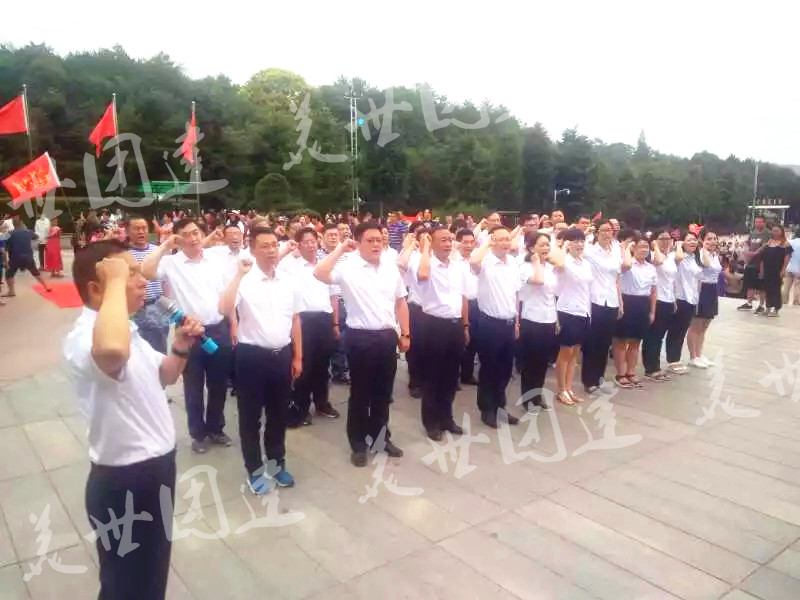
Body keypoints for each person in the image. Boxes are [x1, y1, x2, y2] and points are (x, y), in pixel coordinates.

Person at [63, 239, 204, 600]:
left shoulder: (130, 331)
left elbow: (165, 374)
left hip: (156, 469)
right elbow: (111, 352)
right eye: (130, 274)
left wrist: (181, 345)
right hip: (124, 480)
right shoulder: (85, 337)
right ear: (98, 288)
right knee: (125, 585)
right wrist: (113, 279)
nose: (144, 282)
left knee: (151, 576)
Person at [314, 222, 410, 467]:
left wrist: (406, 333)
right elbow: (319, 273)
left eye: (379, 240)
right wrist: (340, 249)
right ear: (358, 243)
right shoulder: (348, 267)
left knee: (383, 394)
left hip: (387, 336)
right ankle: (358, 444)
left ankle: (380, 439)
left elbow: (401, 302)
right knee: (360, 394)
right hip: (360, 338)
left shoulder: (390, 267)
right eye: (370, 240)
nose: (376, 244)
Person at [219, 227, 301, 494]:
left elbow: (295, 319)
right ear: (252, 249)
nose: (271, 250)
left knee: (278, 414)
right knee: (250, 417)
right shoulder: (243, 279)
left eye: (274, 245)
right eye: (264, 246)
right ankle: (254, 471)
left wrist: (297, 356)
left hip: (282, 354)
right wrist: (238, 275)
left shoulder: (287, 280)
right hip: (251, 357)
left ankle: (277, 465)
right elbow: (224, 309)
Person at [142, 218, 233, 454]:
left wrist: (233, 326)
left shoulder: (216, 258)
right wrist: (164, 246)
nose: (193, 238)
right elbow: (146, 272)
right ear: (178, 239)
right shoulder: (171, 263)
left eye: (196, 232)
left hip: (218, 328)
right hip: (189, 332)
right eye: (186, 234)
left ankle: (216, 428)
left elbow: (228, 293)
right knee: (193, 386)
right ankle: (198, 434)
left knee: (219, 383)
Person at [280, 227, 340, 427]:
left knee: (323, 366)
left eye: (313, 241)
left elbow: (334, 296)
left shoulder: (325, 264)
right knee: (304, 367)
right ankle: (301, 407)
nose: (311, 245)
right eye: (306, 241)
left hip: (324, 319)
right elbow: (271, 265)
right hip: (303, 321)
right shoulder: (291, 265)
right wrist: (287, 250)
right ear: (299, 244)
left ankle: (322, 403)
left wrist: (335, 323)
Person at [413, 226, 468, 440]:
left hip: (454, 325)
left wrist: (465, 325)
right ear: (433, 243)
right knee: (432, 377)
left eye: (450, 239)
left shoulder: (458, 267)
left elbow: (462, 297)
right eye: (442, 240)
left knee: (451, 377)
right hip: (433, 326)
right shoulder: (425, 264)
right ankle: (431, 422)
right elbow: (422, 275)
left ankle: (447, 418)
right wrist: (425, 247)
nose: (447, 243)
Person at [470, 224, 522, 428]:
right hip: (489, 323)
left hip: (509, 322)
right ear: (492, 241)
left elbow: (515, 294)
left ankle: (500, 407)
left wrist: (517, 321)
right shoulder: (485, 261)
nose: (505, 243)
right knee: (489, 368)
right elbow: (474, 261)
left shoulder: (513, 263)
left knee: (505, 369)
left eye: (507, 239)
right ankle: (487, 409)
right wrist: (487, 244)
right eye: (500, 239)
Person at [552, 228, 593, 405]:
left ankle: (569, 388)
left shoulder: (586, 263)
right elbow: (556, 260)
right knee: (565, 352)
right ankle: (561, 390)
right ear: (567, 243)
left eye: (582, 240)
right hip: (567, 310)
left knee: (575, 353)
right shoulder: (564, 261)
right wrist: (563, 247)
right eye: (575, 240)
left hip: (584, 311)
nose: (579, 244)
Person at [581, 220, 622, 393]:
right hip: (595, 300)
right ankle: (589, 380)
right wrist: (585, 233)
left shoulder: (616, 252)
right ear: (597, 233)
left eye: (610, 230)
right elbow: (574, 247)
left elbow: (617, 278)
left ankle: (599, 378)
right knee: (592, 342)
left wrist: (620, 302)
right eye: (603, 230)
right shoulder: (590, 251)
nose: (607, 234)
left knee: (605, 343)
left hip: (611, 301)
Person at [518, 231, 557, 412]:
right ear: (531, 248)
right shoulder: (525, 267)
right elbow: (538, 281)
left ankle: (537, 395)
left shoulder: (549, 267)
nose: (546, 248)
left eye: (548, 245)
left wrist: (556, 319)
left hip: (549, 318)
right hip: (532, 318)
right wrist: (536, 262)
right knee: (531, 362)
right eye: (541, 245)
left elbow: (552, 294)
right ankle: (528, 398)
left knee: (542, 361)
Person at [613, 236, 657, 389]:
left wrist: (652, 311)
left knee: (636, 341)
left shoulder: (651, 268)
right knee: (621, 340)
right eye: (640, 246)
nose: (644, 250)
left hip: (643, 303)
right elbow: (625, 266)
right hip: (627, 301)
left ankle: (631, 371)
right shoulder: (627, 264)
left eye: (646, 247)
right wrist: (625, 248)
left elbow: (653, 291)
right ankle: (621, 373)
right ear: (633, 248)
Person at [642, 230, 684, 380]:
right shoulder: (653, 255)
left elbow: (673, 277)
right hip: (657, 299)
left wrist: (674, 300)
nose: (666, 241)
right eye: (662, 238)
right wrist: (655, 246)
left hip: (668, 299)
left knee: (660, 335)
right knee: (653, 335)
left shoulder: (671, 257)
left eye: (668, 239)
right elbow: (658, 261)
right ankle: (651, 368)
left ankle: (655, 366)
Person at [126, 218, 170, 354]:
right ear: (128, 231)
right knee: (136, 351)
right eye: (136, 228)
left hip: (157, 306)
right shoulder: (124, 254)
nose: (141, 232)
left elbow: (165, 278)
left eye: (144, 228)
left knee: (159, 350)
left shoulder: (157, 251)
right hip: (135, 310)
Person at [665, 232, 702, 374]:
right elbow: (678, 258)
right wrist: (679, 246)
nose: (692, 242)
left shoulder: (694, 258)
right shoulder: (676, 257)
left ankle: (676, 359)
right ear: (682, 242)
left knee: (682, 330)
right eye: (689, 240)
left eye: (694, 240)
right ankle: (673, 360)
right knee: (675, 330)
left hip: (691, 298)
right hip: (679, 297)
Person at [688, 229, 722, 368]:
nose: (712, 241)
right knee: (696, 325)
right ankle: (693, 356)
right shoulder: (700, 254)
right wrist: (704, 249)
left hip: (712, 289)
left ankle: (699, 353)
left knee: (705, 325)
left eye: (714, 238)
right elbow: (705, 266)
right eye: (709, 239)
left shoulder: (715, 255)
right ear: (702, 240)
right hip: (701, 289)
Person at [3, 216, 52, 296]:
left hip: (15, 257)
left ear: (13, 224)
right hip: (28, 256)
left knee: (9, 274)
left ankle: (11, 291)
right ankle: (46, 287)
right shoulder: (28, 231)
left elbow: (3, 242)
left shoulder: (10, 233)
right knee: (35, 272)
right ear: (22, 223)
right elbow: (36, 237)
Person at [454, 229, 479, 385]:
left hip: (476, 303)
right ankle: (454, 375)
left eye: (471, 242)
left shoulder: (477, 259)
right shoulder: (453, 260)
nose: (469, 245)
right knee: (459, 339)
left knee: (473, 340)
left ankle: (467, 374)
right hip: (458, 303)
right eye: (465, 242)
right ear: (458, 243)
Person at [738, 216, 770, 313]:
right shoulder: (753, 233)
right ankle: (749, 303)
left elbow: (765, 245)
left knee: (761, 286)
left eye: (760, 222)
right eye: (756, 222)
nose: (758, 224)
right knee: (750, 284)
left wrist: (755, 253)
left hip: (761, 263)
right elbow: (748, 243)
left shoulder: (767, 233)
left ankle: (761, 305)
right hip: (751, 262)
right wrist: (745, 249)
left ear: (764, 223)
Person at [760, 225, 791, 317]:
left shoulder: (785, 244)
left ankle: (776, 309)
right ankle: (768, 307)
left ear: (781, 232)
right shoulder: (768, 243)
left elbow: (787, 258)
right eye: (773, 231)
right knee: (767, 288)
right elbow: (763, 257)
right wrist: (762, 270)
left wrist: (783, 269)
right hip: (767, 269)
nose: (775, 233)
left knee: (776, 289)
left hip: (777, 269)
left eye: (777, 231)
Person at [783, 229, 800, 306]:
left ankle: (784, 302)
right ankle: (796, 302)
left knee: (786, 286)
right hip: (798, 267)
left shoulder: (789, 242)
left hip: (789, 266)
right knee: (797, 286)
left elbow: (785, 255)